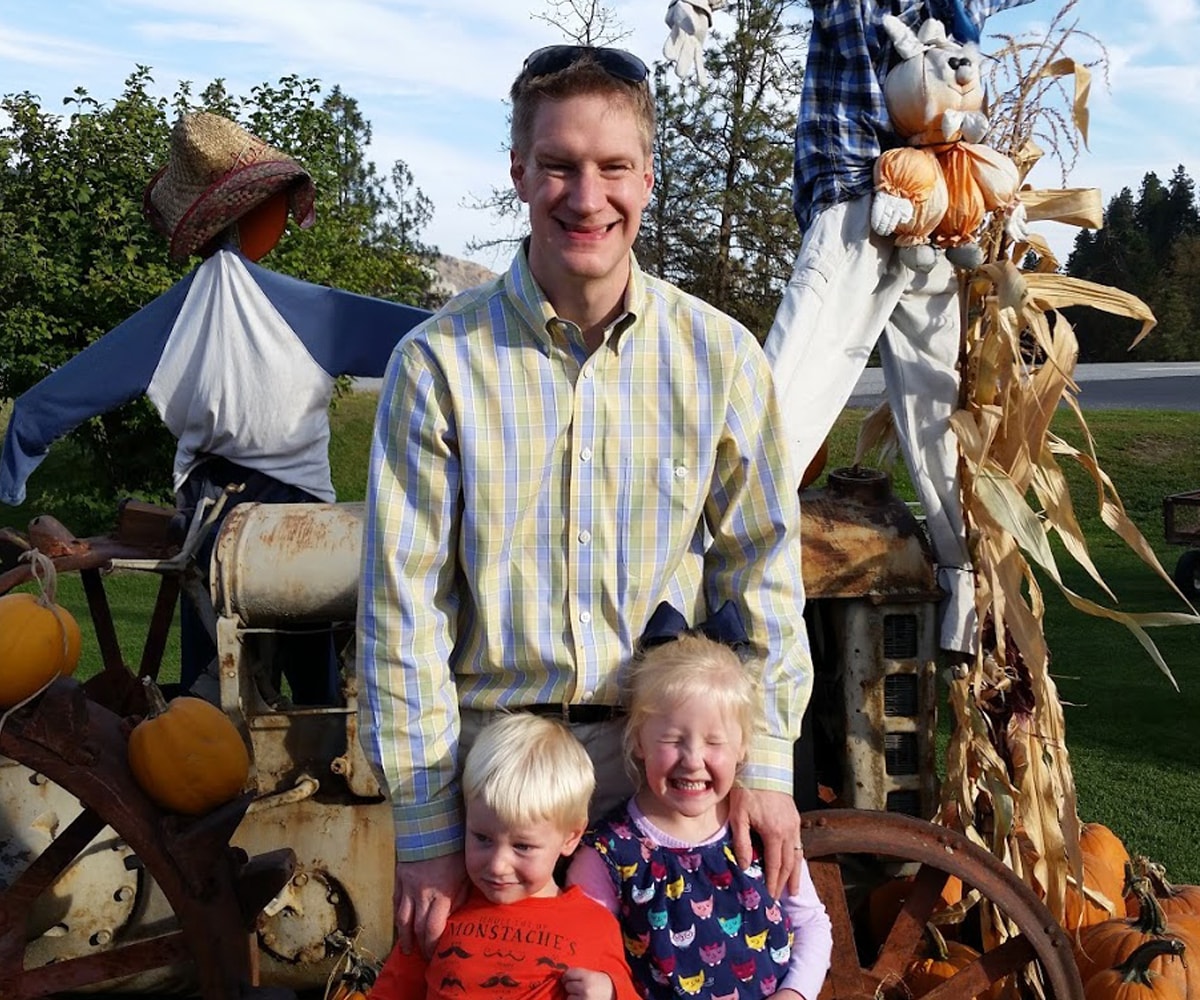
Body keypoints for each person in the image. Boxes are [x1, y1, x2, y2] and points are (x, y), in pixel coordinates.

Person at [357, 44, 812, 962]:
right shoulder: (439, 363)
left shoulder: (721, 359)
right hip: (495, 786)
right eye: (558, 165)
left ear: (649, 177)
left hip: (663, 782)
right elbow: (402, 610)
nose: (585, 195)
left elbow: (761, 568)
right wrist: (430, 832)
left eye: (612, 168)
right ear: (519, 171)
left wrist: (761, 764)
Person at [0, 111, 430, 702]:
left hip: (208, 519)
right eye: (276, 206)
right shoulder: (314, 313)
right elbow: (429, 339)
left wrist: (14, 473)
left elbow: (48, 404)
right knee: (319, 694)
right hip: (301, 524)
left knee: (214, 689)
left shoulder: (163, 324)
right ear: (261, 212)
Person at [662, 0, 1036, 657]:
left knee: (789, 414)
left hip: (888, 207)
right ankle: (959, 592)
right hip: (912, 210)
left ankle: (685, 593)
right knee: (920, 420)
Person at [566, 628, 832, 1000]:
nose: (693, 761)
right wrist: (608, 990)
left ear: (743, 748)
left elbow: (811, 923)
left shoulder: (757, 834)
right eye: (673, 740)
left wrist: (795, 994)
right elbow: (586, 949)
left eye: (714, 742)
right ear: (638, 741)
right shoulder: (608, 855)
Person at [367, 713, 639, 1000]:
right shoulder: (442, 909)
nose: (497, 865)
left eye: (522, 846)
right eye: (482, 838)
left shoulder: (594, 925)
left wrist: (611, 993)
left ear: (571, 837)